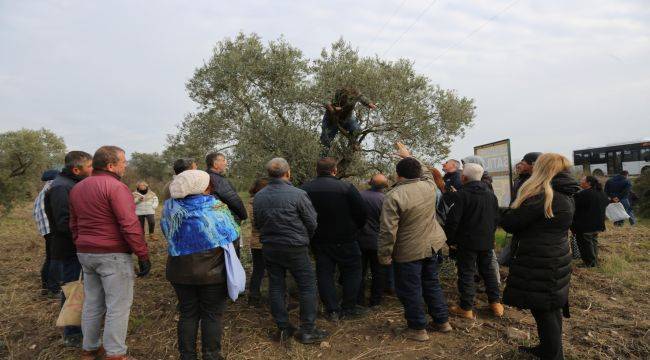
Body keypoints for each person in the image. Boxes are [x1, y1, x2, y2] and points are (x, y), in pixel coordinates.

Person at [70, 146, 150, 360]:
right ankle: (115, 354)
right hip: (112, 254)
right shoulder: (116, 187)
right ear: (110, 165)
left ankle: (90, 348)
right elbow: (129, 224)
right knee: (118, 305)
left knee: (92, 302)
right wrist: (142, 253)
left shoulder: (78, 188)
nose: (126, 165)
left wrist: (80, 243)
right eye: (123, 161)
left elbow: (74, 223)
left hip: (86, 253)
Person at [500, 153, 580, 360]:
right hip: (555, 256)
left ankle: (553, 355)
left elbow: (511, 223)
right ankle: (548, 349)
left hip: (539, 259)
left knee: (544, 310)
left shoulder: (543, 195)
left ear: (542, 169)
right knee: (550, 308)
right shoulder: (566, 192)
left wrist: (505, 210)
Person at [161, 170, 240, 360]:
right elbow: (233, 234)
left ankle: (187, 355)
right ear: (202, 186)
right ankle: (212, 355)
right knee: (211, 315)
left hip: (179, 271)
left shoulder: (169, 208)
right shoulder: (216, 207)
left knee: (188, 313)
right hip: (213, 272)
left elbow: (167, 233)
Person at [378, 142, 451, 342]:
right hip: (432, 245)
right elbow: (426, 170)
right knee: (432, 284)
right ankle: (442, 321)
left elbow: (387, 231)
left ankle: (418, 328)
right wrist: (408, 155)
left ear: (398, 174)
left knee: (410, 289)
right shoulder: (429, 186)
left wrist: (384, 256)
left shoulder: (393, 196)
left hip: (409, 251)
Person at [253, 158, 328, 344]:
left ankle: (283, 327)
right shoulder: (298, 194)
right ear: (288, 173)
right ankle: (308, 330)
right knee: (307, 285)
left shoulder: (259, 196)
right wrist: (304, 237)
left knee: (276, 285)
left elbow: (258, 223)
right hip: (295, 247)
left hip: (270, 246)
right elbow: (312, 221)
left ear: (269, 174)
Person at [302, 157, 368, 321]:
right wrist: (355, 229)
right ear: (335, 170)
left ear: (316, 170)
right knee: (353, 271)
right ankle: (349, 307)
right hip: (346, 238)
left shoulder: (305, 189)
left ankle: (332, 310)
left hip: (319, 239)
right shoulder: (346, 187)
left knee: (324, 273)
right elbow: (361, 213)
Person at [44, 151, 93, 347]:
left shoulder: (69, 184)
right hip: (68, 248)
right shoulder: (61, 188)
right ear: (76, 169)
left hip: (74, 246)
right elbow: (64, 223)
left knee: (77, 288)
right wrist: (85, 237)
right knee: (72, 289)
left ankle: (78, 327)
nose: (92, 170)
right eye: (89, 166)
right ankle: (72, 333)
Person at [443, 163, 503, 319]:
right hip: (486, 240)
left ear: (463, 178)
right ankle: (495, 303)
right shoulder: (491, 195)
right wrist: (491, 236)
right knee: (488, 271)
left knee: (467, 273)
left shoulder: (461, 195)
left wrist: (450, 240)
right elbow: (496, 218)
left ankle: (466, 307)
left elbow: (452, 221)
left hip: (466, 241)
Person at [356, 173, 389, 308]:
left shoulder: (359, 196)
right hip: (378, 242)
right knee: (378, 273)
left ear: (370, 182)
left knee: (359, 272)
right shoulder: (385, 200)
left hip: (360, 241)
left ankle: (359, 300)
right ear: (385, 186)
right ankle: (375, 301)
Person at [206, 152, 248, 255]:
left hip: (211, 222)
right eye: (224, 160)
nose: (226, 163)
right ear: (215, 164)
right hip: (227, 221)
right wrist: (243, 215)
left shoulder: (204, 178)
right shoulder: (219, 180)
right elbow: (233, 200)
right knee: (232, 252)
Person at [320, 87, 376, 155]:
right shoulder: (337, 89)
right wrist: (333, 109)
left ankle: (350, 148)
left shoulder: (355, 91)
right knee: (325, 141)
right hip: (331, 119)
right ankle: (323, 160)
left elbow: (361, 97)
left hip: (347, 118)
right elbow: (326, 101)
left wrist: (369, 103)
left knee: (356, 129)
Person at [33, 169, 60, 297]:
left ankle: (45, 286)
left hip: (46, 231)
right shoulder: (54, 189)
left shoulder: (41, 193)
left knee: (50, 258)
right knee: (56, 258)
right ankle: (54, 289)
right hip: (53, 229)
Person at [572, 176, 609, 267]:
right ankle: (594, 261)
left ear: (588, 183)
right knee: (593, 242)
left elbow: (574, 207)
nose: (580, 181)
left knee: (585, 245)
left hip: (585, 224)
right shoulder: (601, 193)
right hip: (598, 223)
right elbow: (606, 203)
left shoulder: (583, 194)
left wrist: (573, 224)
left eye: (582, 180)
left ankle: (590, 264)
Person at [246, 177, 269, 307]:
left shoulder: (251, 202)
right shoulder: (261, 202)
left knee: (258, 270)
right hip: (265, 241)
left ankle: (253, 298)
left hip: (255, 241)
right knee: (269, 270)